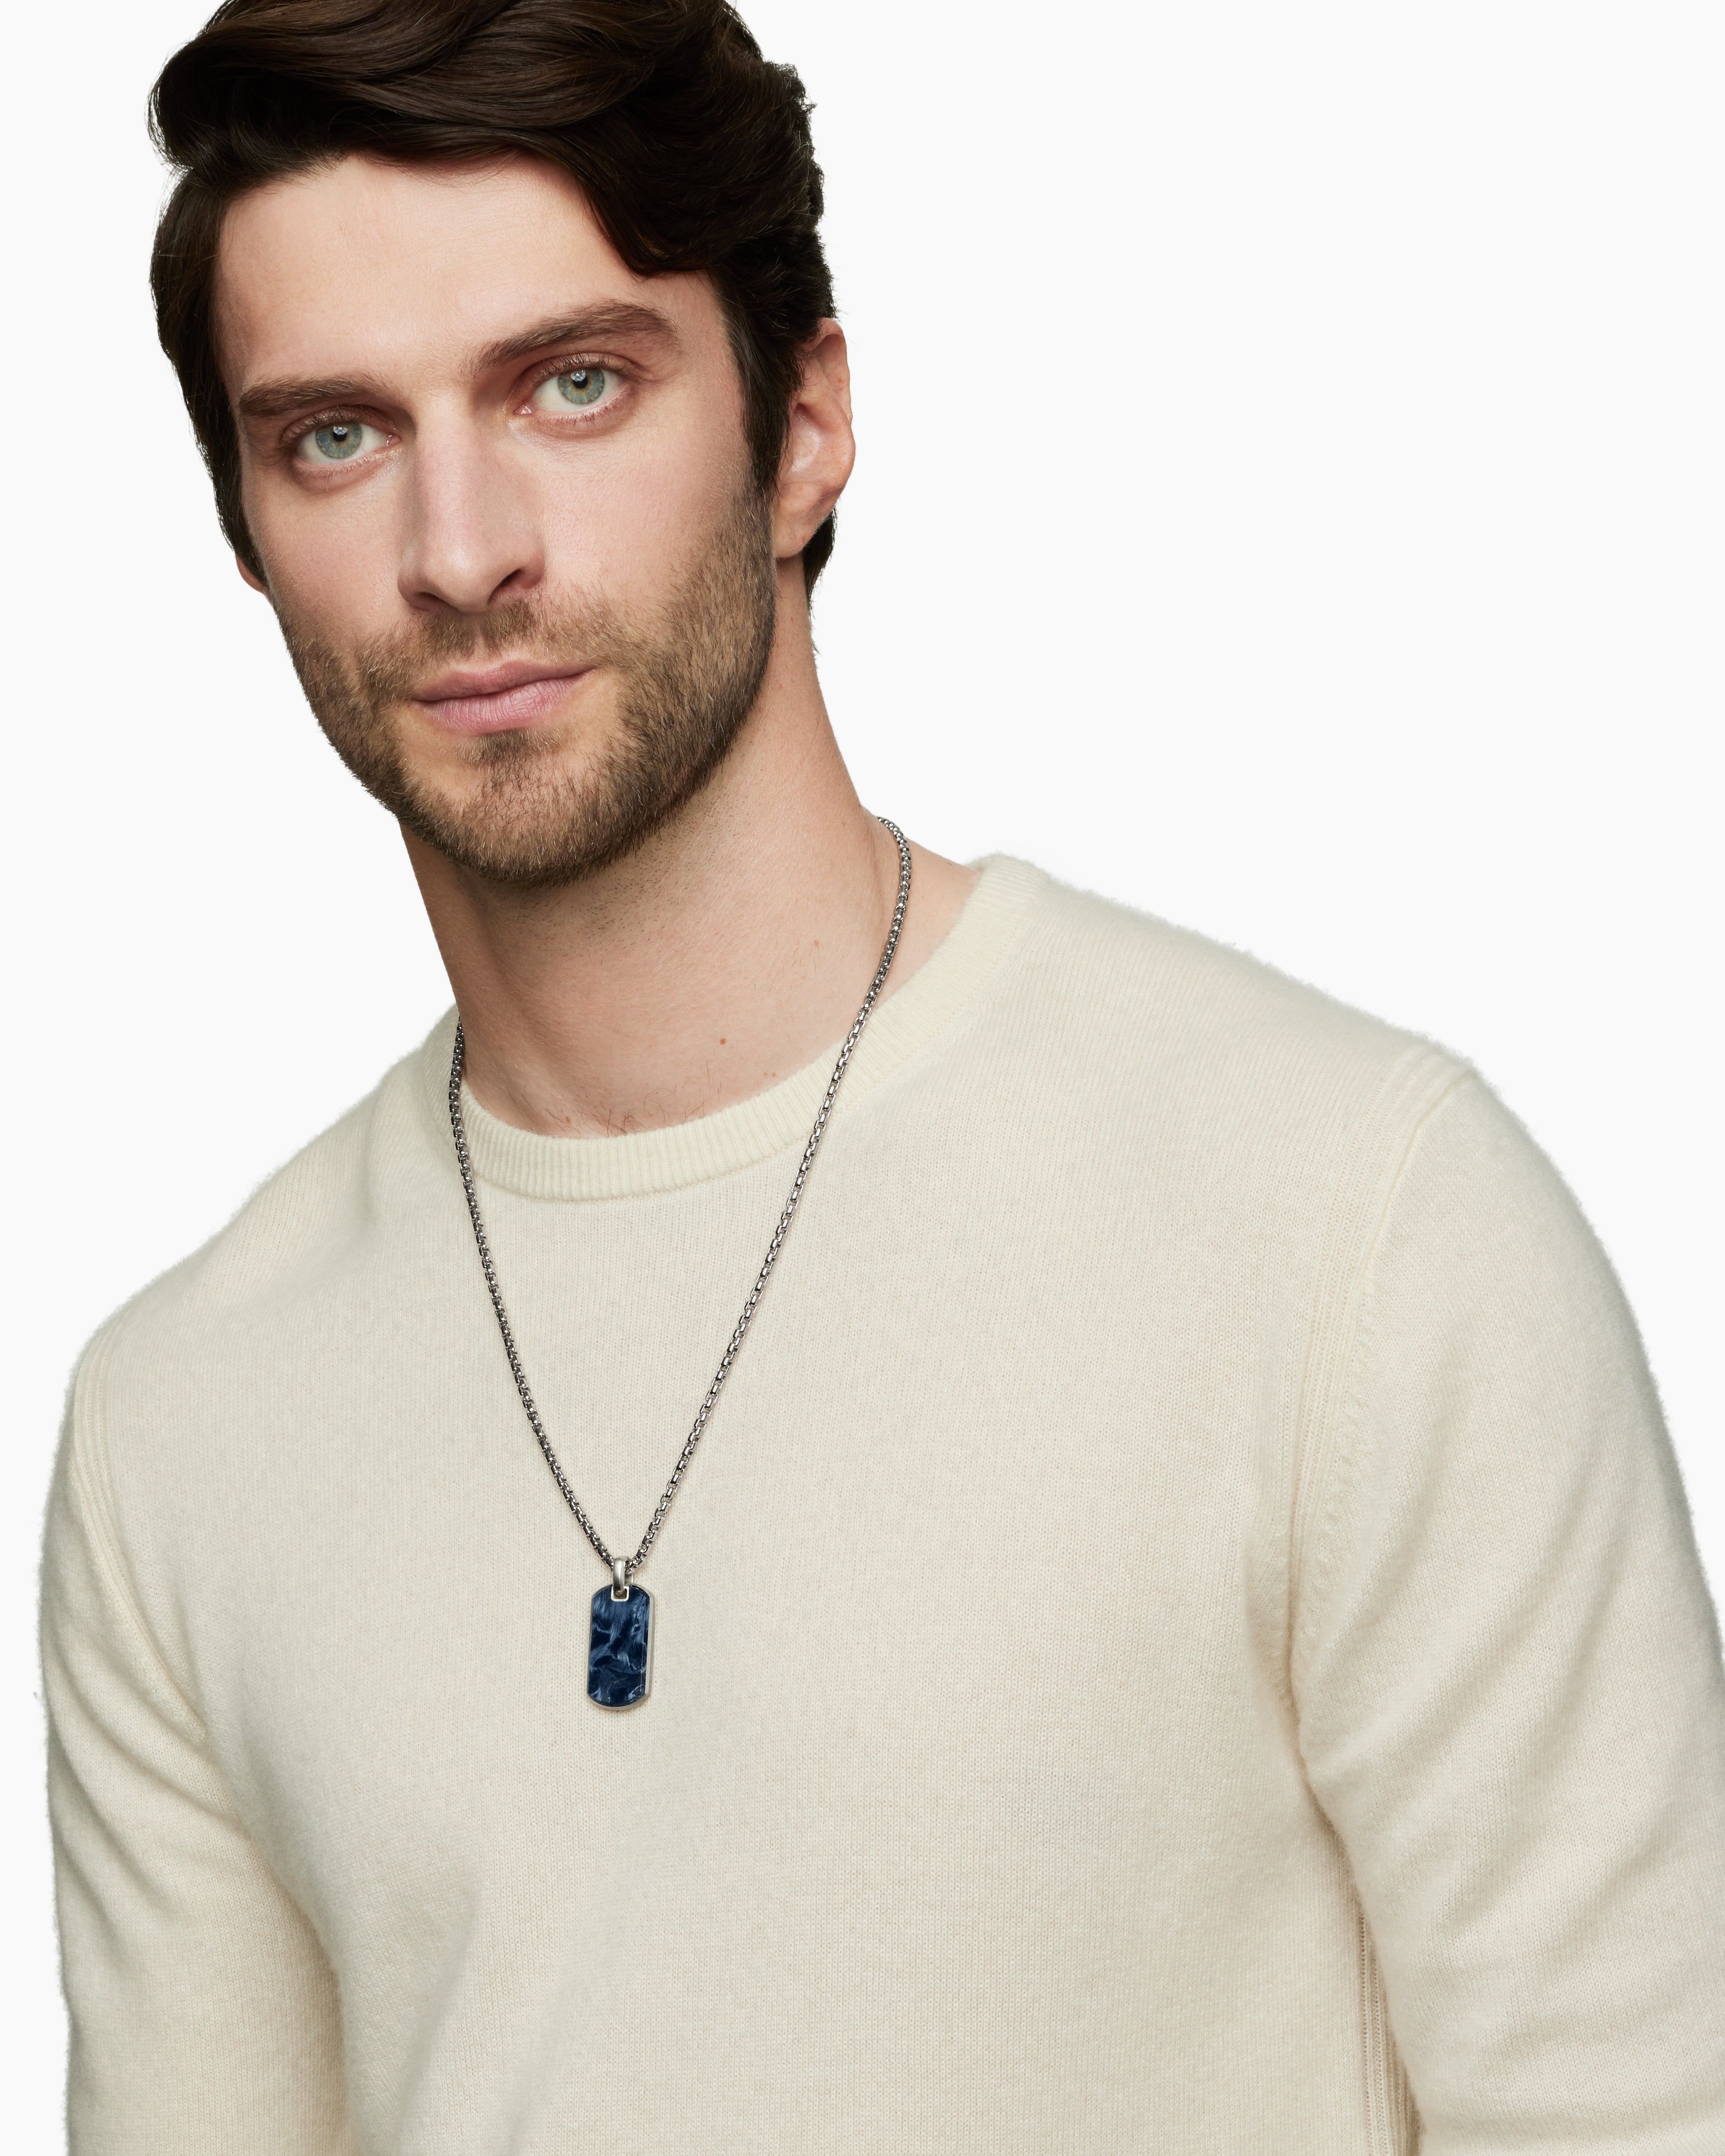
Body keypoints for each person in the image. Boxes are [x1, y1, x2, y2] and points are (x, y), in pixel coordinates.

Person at [39, 1, 1725, 2148]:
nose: (460, 552)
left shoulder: (1347, 1228)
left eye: (573, 384)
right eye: (337, 436)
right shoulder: (180, 1424)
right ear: (244, 523)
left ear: (805, 426)